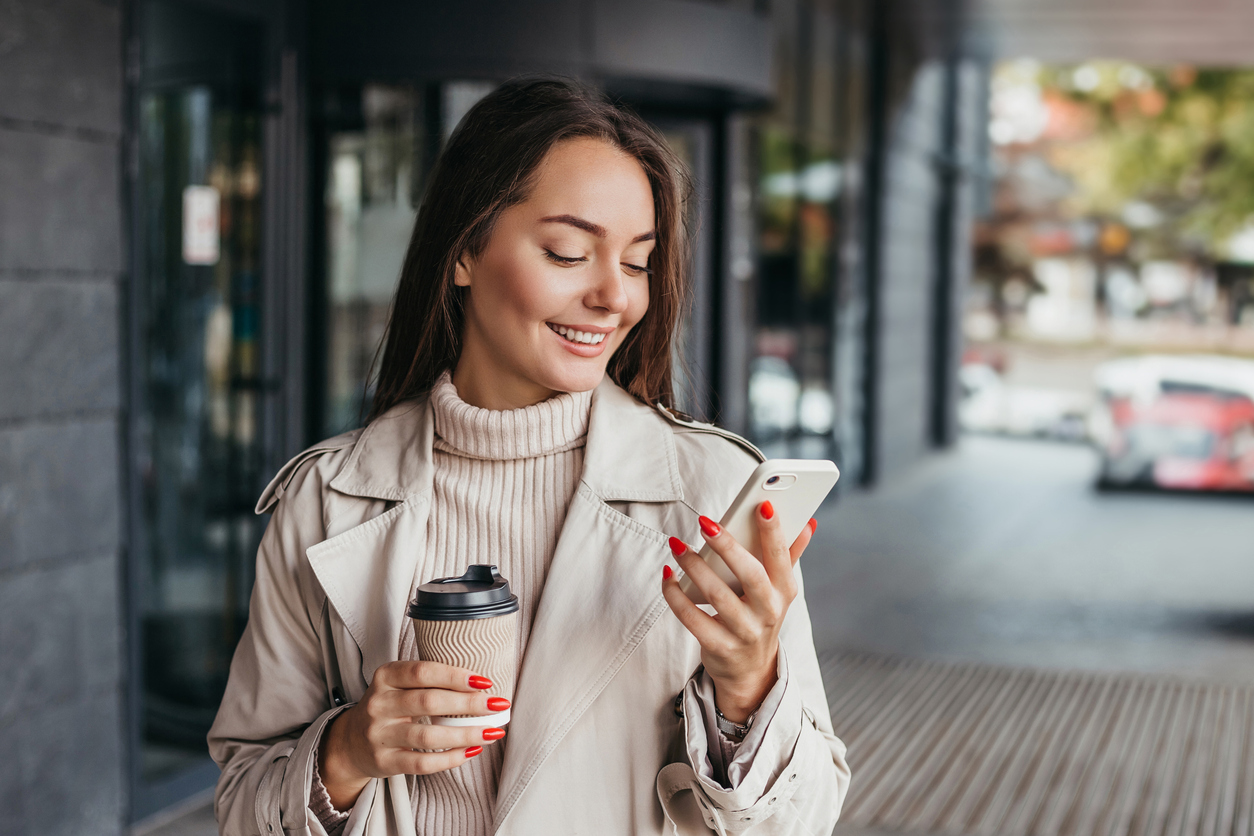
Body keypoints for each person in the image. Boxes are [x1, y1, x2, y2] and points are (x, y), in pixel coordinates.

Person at [208, 77, 849, 836]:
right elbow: (242, 802)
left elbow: (803, 822)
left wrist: (748, 695)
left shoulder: (712, 493)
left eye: (639, 261)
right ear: (464, 253)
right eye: (568, 251)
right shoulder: (326, 500)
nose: (616, 296)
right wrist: (345, 753)